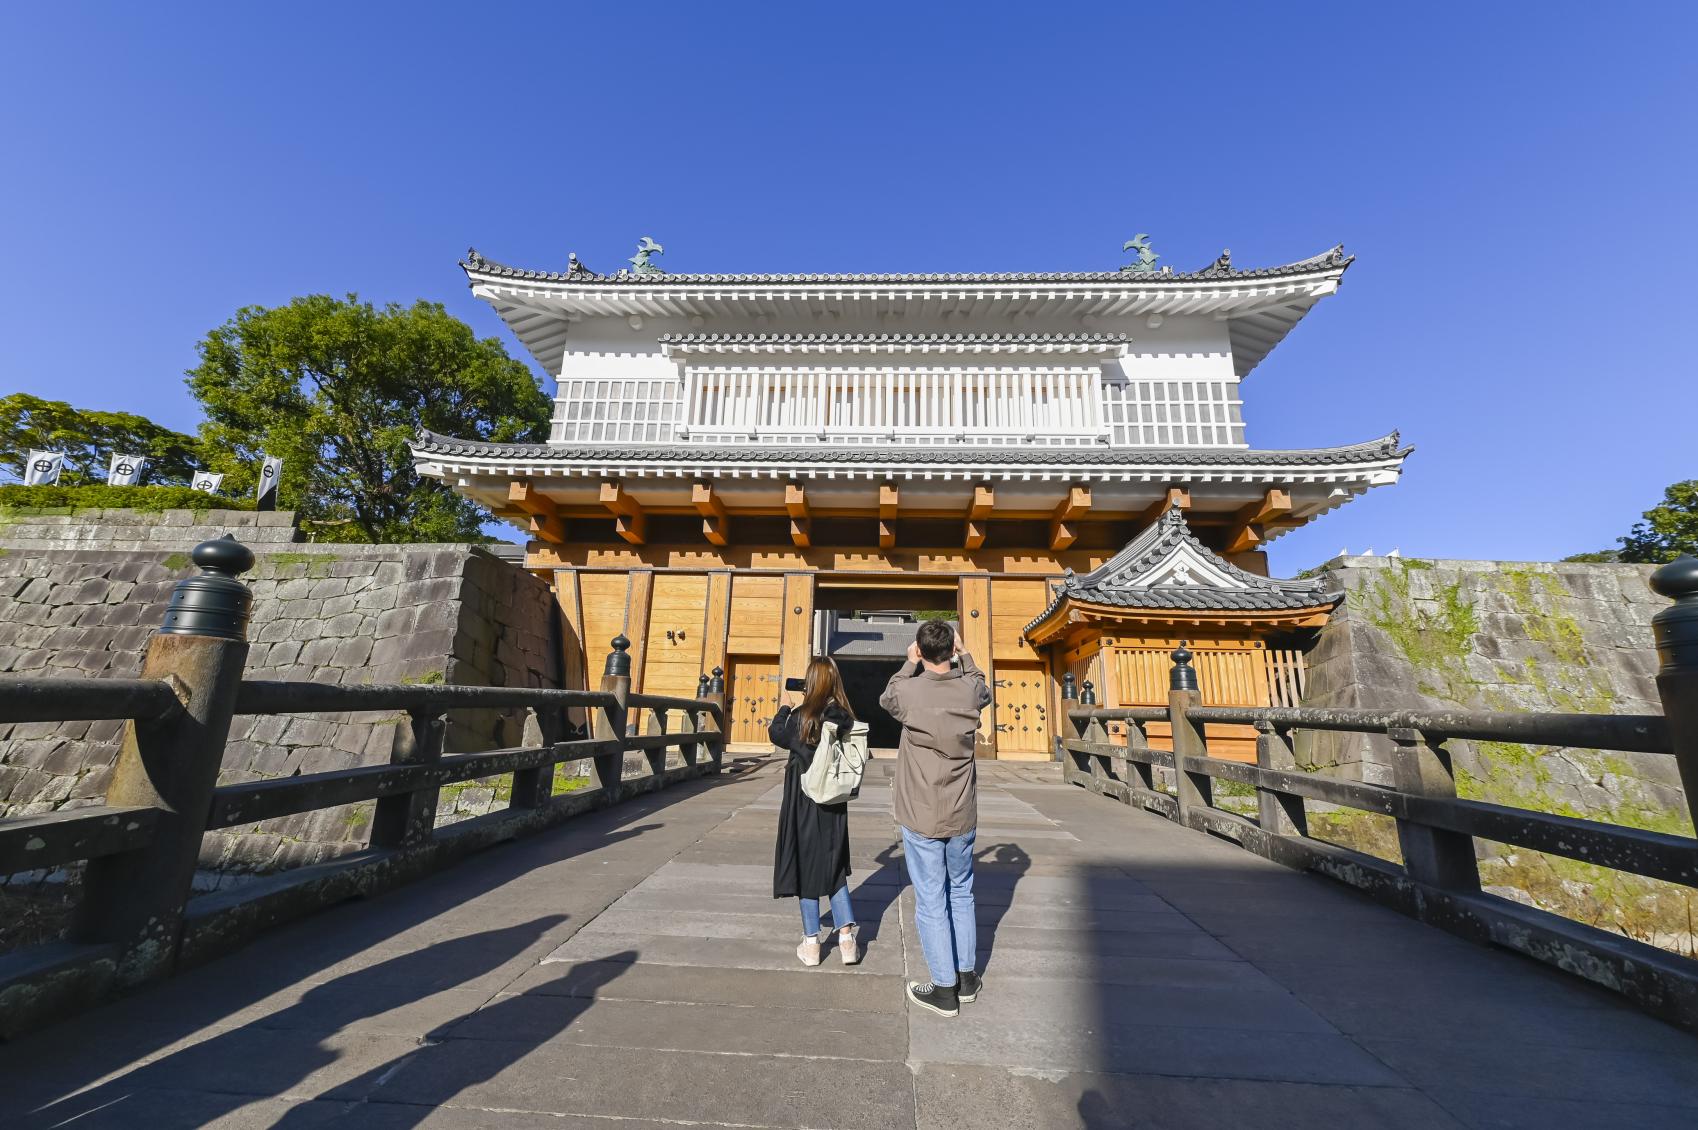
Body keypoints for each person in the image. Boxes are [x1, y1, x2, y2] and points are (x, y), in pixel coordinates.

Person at [880, 619, 993, 1017]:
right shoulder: (969, 689)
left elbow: (887, 698)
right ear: (952, 649)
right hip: (962, 809)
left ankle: (943, 988)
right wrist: (966, 655)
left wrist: (908, 664)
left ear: (920, 650)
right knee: (961, 890)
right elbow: (983, 685)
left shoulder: (909, 690)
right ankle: (965, 977)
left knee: (931, 898)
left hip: (921, 809)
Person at [770, 657, 860, 967]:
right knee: (833, 863)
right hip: (833, 799)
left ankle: (811, 944)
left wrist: (785, 706)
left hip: (803, 798)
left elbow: (776, 733)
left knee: (806, 865)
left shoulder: (801, 717)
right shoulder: (843, 716)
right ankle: (847, 939)